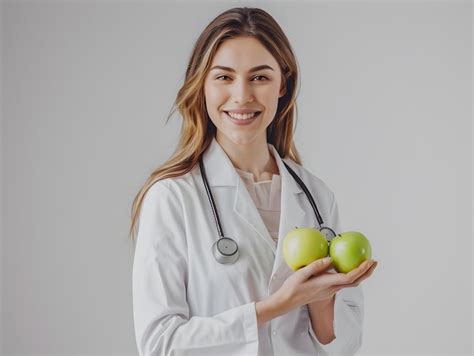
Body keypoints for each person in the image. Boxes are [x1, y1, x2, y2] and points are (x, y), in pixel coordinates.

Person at [129, 7, 378, 356]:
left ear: (283, 84)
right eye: (224, 77)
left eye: (259, 77)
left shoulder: (316, 197)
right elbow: (160, 344)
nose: (242, 95)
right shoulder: (172, 197)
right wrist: (277, 305)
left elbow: (345, 346)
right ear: (202, 84)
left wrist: (322, 299)